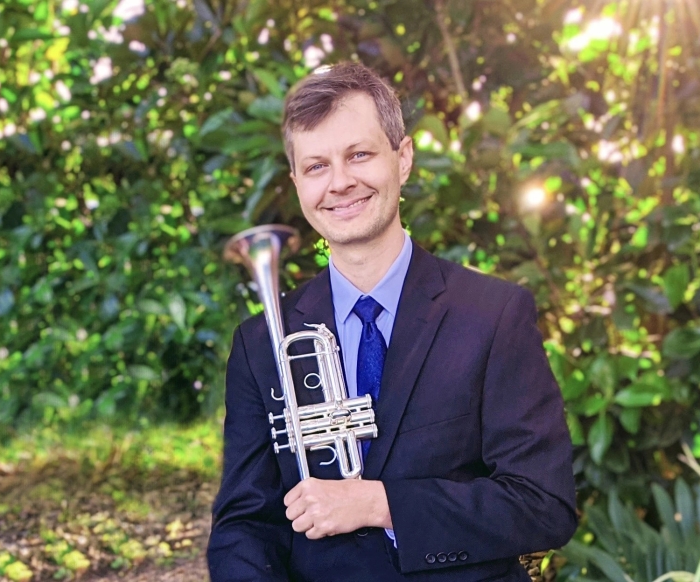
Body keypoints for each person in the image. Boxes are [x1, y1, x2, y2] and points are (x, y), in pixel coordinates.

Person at [207, 62, 577, 581]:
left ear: (402, 159)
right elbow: (245, 523)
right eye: (316, 166)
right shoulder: (260, 342)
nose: (340, 182)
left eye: (359, 154)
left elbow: (543, 504)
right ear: (296, 183)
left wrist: (380, 503)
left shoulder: (493, 316)